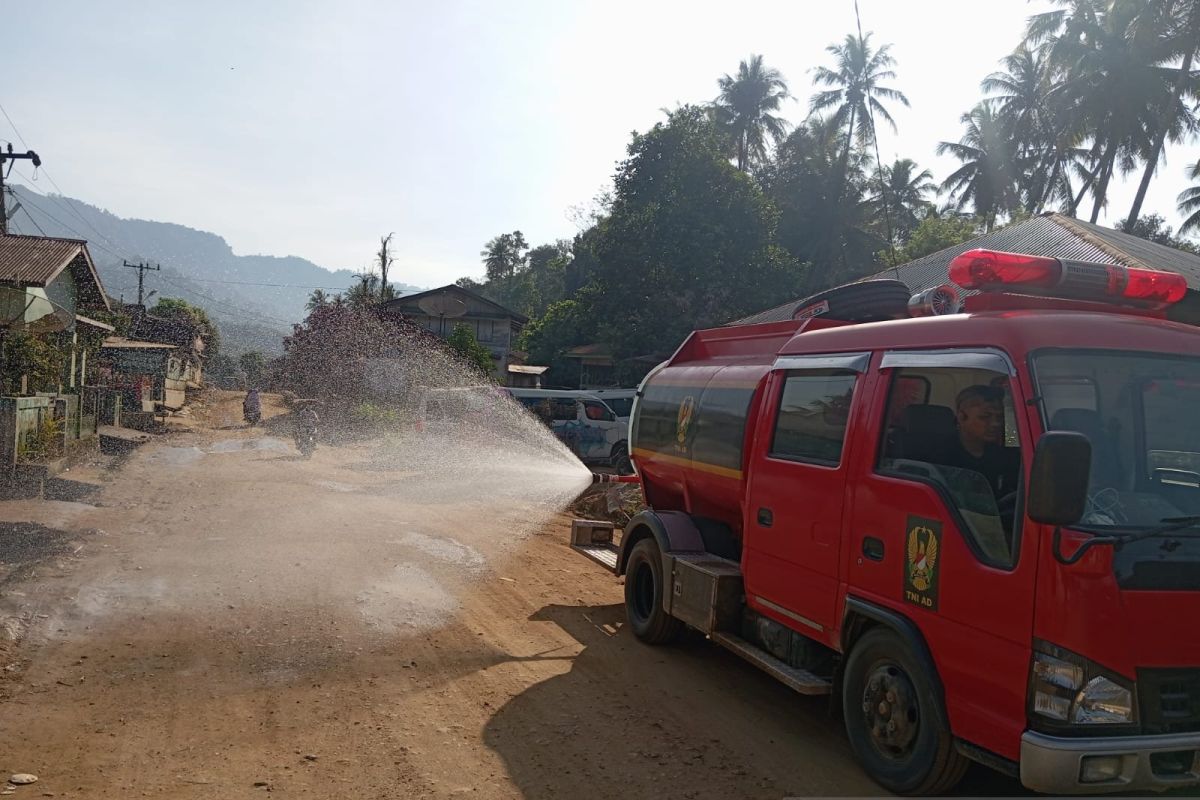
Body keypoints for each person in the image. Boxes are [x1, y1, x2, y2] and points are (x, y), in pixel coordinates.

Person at [942, 384, 1020, 500]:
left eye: (999, 417)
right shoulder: (941, 455)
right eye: (985, 417)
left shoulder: (999, 455)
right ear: (962, 417)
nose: (995, 424)